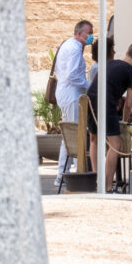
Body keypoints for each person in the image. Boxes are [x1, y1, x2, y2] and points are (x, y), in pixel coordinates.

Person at [87, 42, 132, 190]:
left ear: (126, 52)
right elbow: (129, 103)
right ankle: (107, 185)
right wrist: (124, 122)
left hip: (90, 98)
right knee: (115, 144)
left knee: (94, 140)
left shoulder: (109, 63)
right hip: (106, 102)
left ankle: (96, 181)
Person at [54, 20, 93, 185]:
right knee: (76, 134)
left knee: (69, 135)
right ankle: (76, 173)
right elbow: (72, 75)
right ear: (79, 33)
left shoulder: (69, 45)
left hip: (66, 93)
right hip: (71, 94)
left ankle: (64, 175)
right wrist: (89, 86)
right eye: (88, 33)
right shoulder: (75, 48)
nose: (90, 36)